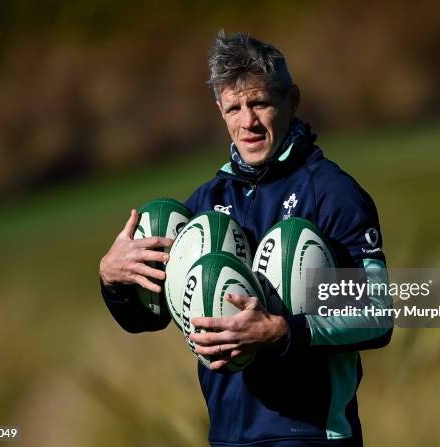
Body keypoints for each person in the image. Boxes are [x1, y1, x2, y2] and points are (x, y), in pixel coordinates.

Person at [99, 31, 392, 447]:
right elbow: (149, 317)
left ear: (292, 100)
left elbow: (378, 313)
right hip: (227, 438)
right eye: (234, 107)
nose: (248, 121)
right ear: (220, 110)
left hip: (312, 437)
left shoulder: (331, 194)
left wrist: (280, 330)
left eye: (259, 103)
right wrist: (113, 280)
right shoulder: (205, 204)